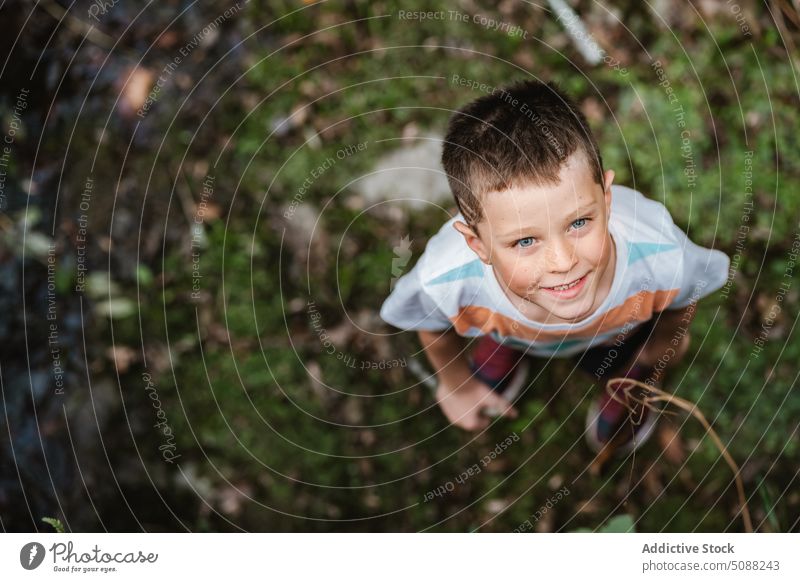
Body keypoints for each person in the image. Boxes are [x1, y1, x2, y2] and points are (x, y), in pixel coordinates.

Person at [380, 80, 729, 452]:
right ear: (478, 245)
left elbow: (683, 299)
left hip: (617, 335)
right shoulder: (447, 278)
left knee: (612, 361)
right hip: (512, 329)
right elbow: (432, 328)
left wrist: (656, 350)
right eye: (525, 241)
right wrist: (456, 385)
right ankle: (505, 344)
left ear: (606, 200)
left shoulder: (660, 255)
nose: (564, 262)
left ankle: (629, 378)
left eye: (579, 222)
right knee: (500, 327)